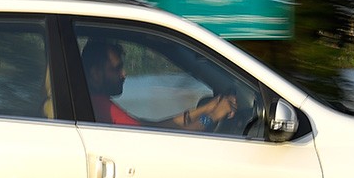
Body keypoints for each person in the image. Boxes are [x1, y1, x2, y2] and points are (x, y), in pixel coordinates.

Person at [81, 38, 237, 130]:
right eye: (116, 69)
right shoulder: (100, 105)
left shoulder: (94, 103)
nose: (124, 74)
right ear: (95, 73)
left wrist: (206, 108)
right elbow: (164, 140)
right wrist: (214, 116)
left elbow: (152, 127)